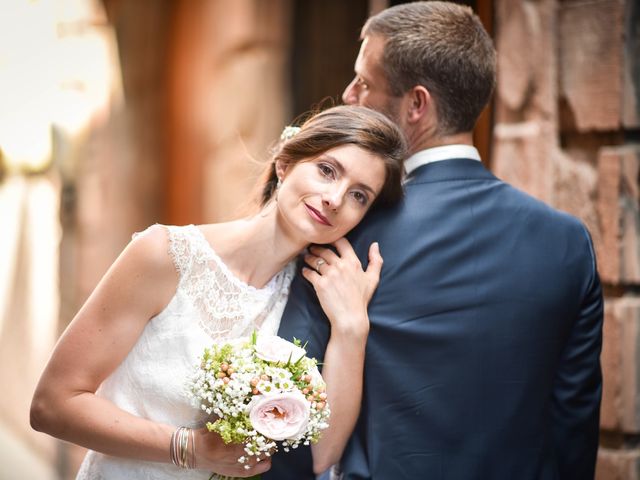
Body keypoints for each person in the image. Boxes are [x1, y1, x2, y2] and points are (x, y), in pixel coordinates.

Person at [271, 2, 604, 480]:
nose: (348, 94)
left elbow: (289, 429)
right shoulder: (569, 243)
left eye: (364, 82)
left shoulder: (343, 228)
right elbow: (573, 436)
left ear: (416, 105)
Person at [30, 105, 407, 479]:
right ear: (285, 163)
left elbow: (322, 456)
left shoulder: (310, 303)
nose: (335, 198)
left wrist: (352, 328)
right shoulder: (163, 254)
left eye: (360, 195)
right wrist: (190, 449)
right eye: (327, 170)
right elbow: (52, 405)